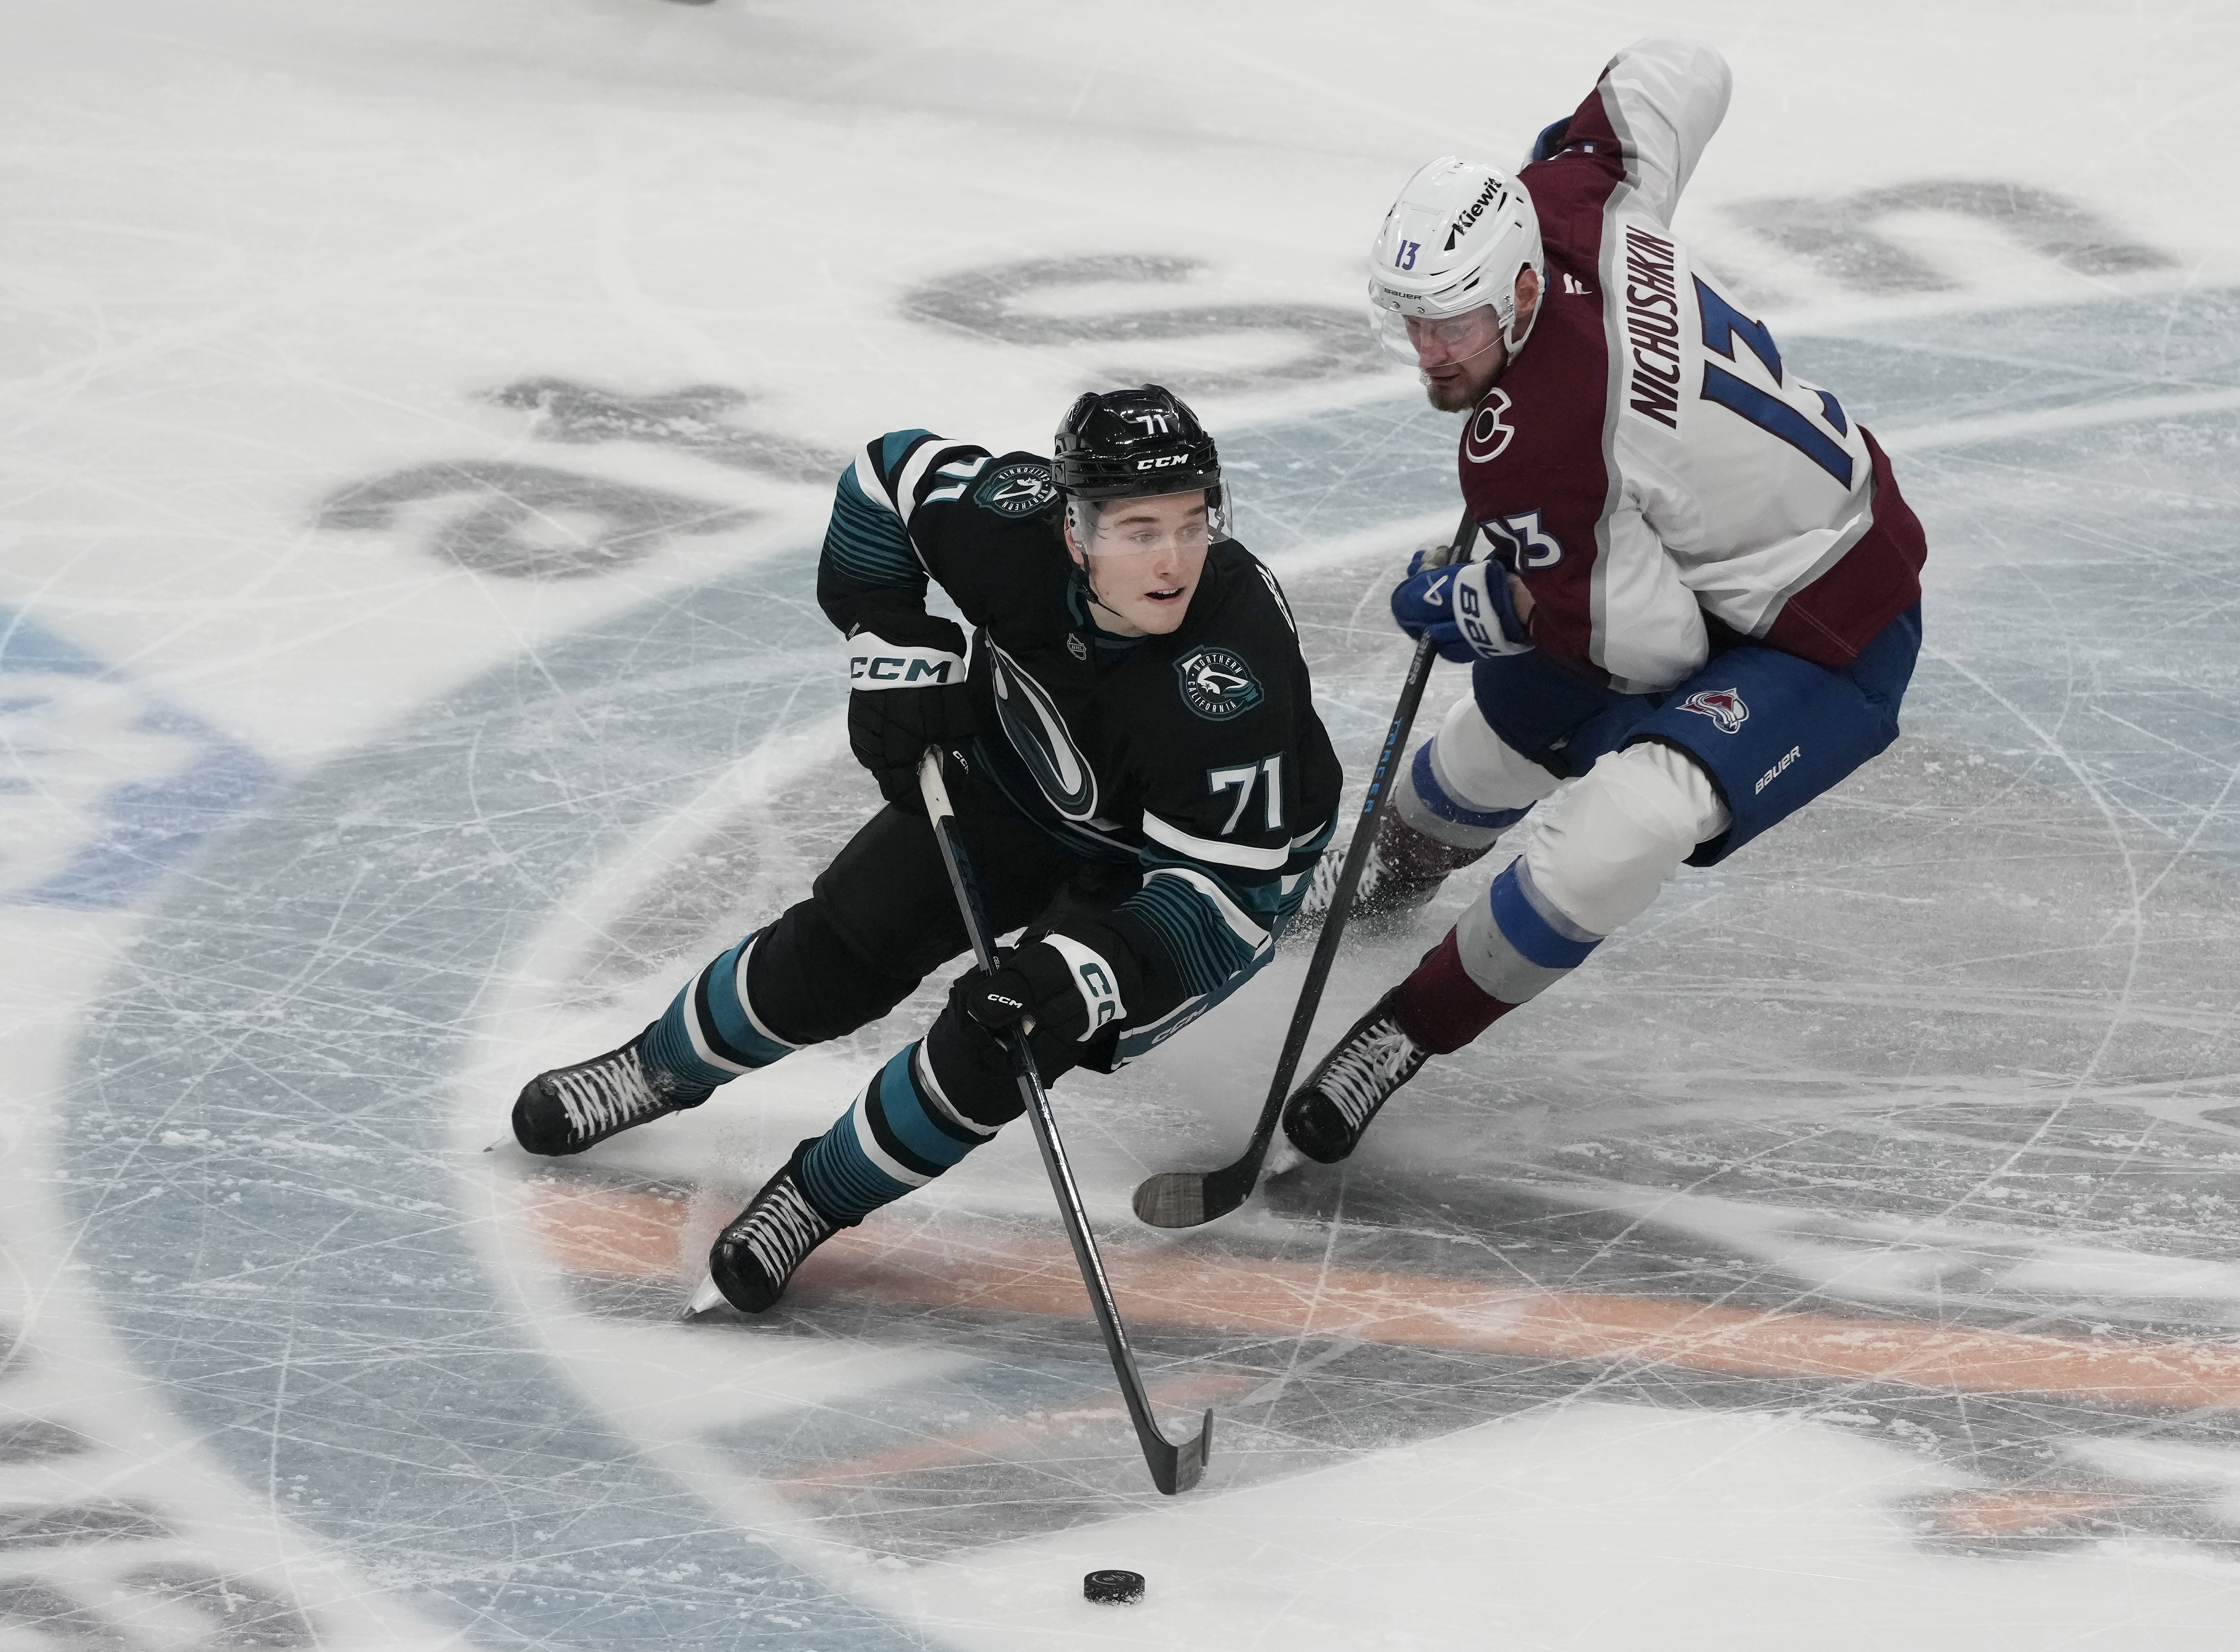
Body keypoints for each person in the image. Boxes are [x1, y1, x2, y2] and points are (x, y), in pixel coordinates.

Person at [511, 386, 1340, 1311]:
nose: (1174, 560)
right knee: (842, 945)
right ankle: (656, 1068)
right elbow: (884, 475)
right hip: (1019, 784)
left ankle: (813, 1199)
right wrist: (887, 631)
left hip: (1178, 882)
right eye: (1138, 530)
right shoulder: (1008, 523)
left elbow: (1224, 897)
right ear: (1073, 529)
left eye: (1193, 524)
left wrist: (1082, 970)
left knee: (995, 1043)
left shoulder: (1227, 678)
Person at [1283, 37, 1927, 1164]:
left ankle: (1403, 1031)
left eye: (1453, 321)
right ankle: (1390, 868)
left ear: (1523, 287)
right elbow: (1679, 70)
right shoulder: (1571, 197)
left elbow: (1643, 646)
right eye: (1413, 320)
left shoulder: (1541, 447)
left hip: (1830, 629)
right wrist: (1569, 164)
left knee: (1621, 831)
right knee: (1503, 731)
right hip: (1700, 538)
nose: (1428, 353)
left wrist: (1483, 602)